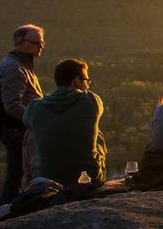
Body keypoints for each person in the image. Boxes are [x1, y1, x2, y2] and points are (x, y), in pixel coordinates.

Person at [24, 58, 107, 187]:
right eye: (86, 80)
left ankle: (29, 183)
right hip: (89, 179)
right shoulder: (92, 101)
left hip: (47, 179)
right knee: (97, 133)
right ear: (77, 81)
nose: (88, 84)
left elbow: (27, 121)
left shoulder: (35, 107)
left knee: (30, 134)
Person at [0, 24, 46, 203]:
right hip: (16, 128)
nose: (41, 46)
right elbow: (12, 105)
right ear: (19, 43)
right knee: (18, 171)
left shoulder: (22, 63)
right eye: (36, 42)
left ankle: (10, 206)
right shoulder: (13, 68)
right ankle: (8, 209)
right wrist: (35, 121)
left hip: (18, 127)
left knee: (19, 170)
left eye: (42, 42)